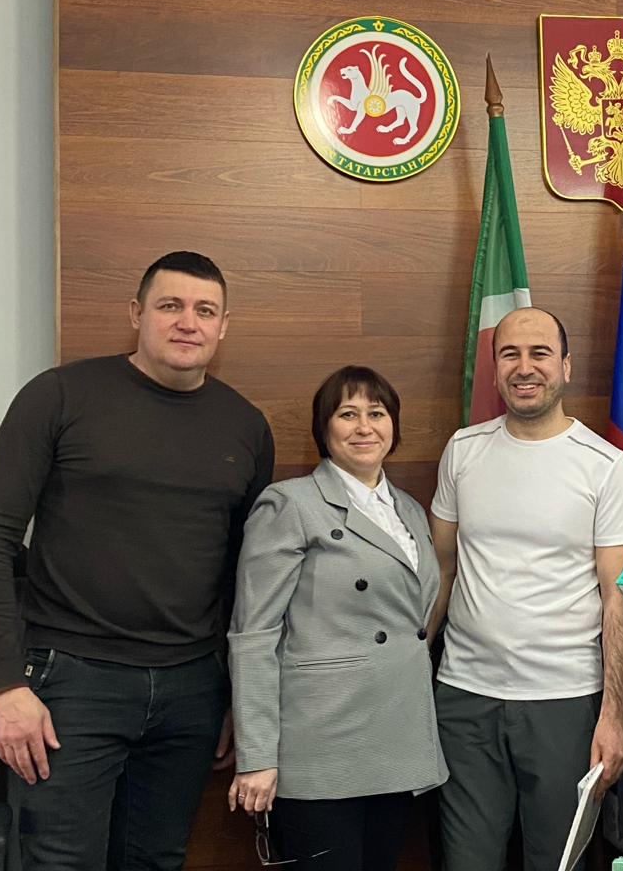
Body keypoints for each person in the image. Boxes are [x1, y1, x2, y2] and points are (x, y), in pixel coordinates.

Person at [0, 251, 275, 871]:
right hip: (70, 682)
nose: (188, 322)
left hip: (191, 688)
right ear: (136, 313)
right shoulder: (60, 395)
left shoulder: (245, 426)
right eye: (170, 305)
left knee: (156, 860)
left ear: (223, 326)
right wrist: (6, 686)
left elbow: (245, 574)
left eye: (205, 310)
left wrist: (240, 696)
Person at [430, 306, 623, 871]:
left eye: (540, 353)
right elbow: (441, 574)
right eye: (510, 354)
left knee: (558, 861)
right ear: (495, 369)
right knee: (466, 861)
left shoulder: (604, 465)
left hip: (564, 700)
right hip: (463, 696)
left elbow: (619, 599)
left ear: (566, 366)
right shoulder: (462, 450)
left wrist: (615, 715)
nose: (524, 368)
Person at [227, 366, 446, 871]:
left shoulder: (411, 511)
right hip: (322, 746)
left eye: (377, 413)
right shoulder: (290, 504)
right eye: (348, 414)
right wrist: (257, 756)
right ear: (323, 428)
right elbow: (253, 635)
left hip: (396, 739)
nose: (364, 426)